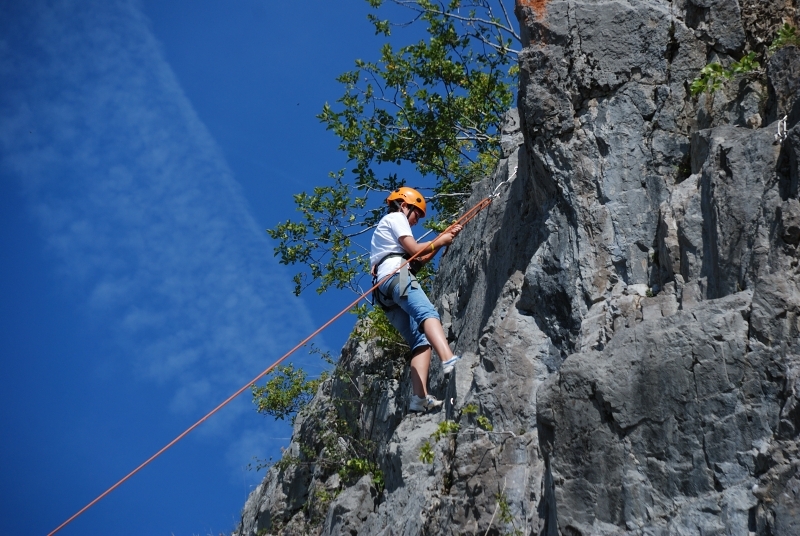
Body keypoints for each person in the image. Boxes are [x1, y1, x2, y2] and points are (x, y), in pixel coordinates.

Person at [370, 186, 463, 412]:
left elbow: (417, 259)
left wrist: (441, 240)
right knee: (428, 313)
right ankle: (449, 359)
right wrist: (439, 241)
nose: (415, 221)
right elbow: (413, 249)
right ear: (404, 206)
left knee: (420, 342)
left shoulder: (386, 234)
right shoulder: (396, 217)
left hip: (384, 291)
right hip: (396, 274)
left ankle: (419, 398)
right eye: (416, 215)